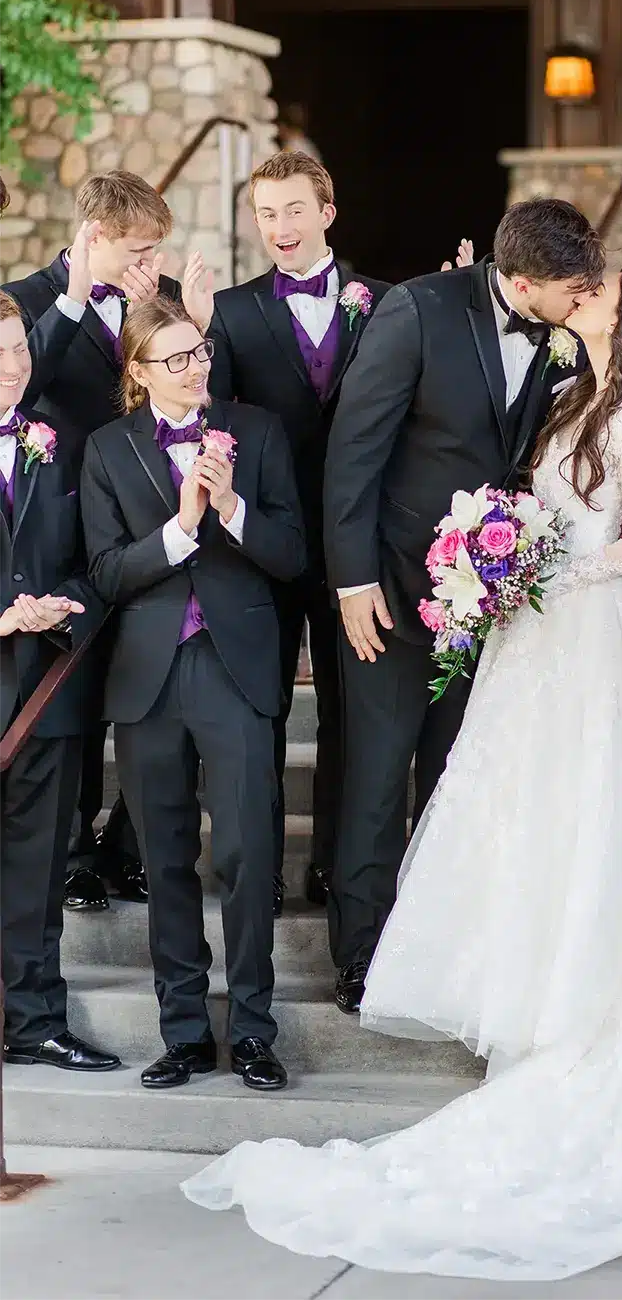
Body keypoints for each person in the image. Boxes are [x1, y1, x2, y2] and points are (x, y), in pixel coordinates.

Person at [182, 271, 622, 1279]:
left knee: (603, 802)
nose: (587, 294)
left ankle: (595, 996)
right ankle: (534, 988)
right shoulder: (569, 394)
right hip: (536, 634)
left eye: (603, 291)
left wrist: (549, 569)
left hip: (591, 631)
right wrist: (502, 554)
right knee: (529, 809)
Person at [323, 199, 599, 1013]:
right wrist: (352, 583)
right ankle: (361, 956)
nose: (581, 300)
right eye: (569, 288)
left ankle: (438, 949)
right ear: (521, 282)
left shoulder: (569, 334)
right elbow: (353, 452)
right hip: (396, 589)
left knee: (456, 778)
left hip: (500, 599)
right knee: (377, 780)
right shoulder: (417, 311)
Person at [80, 297, 306, 1091]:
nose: (196, 367)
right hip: (148, 677)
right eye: (175, 358)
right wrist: (180, 528)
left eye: (200, 351)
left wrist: (235, 507)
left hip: (237, 666)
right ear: (138, 373)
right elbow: (106, 572)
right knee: (166, 859)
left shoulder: (261, 430)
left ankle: (251, 1030)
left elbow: (292, 555)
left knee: (247, 855)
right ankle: (182, 1031)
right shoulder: (107, 449)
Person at [180, 151, 390, 918]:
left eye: (294, 210)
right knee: (259, 711)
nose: (279, 229)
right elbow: (214, 423)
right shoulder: (232, 313)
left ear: (327, 212)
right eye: (265, 214)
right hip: (260, 543)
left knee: (346, 711)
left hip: (354, 549)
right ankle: (256, 869)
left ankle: (334, 869)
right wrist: (199, 338)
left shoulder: (387, 303)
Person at [7, 172, 183, 913]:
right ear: (96, 236)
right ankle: (75, 852)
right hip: (61, 532)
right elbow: (19, 384)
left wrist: (164, 312)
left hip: (146, 525)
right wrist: (76, 301)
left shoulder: (160, 294)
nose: (152, 260)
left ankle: (129, 848)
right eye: (138, 246)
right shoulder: (29, 300)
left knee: (148, 691)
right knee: (70, 695)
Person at [0, 290, 119, 1074]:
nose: (13, 368)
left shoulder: (61, 443)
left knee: (38, 871)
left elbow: (101, 557)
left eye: (18, 349)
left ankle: (33, 1019)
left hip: (44, 690)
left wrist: (62, 606)